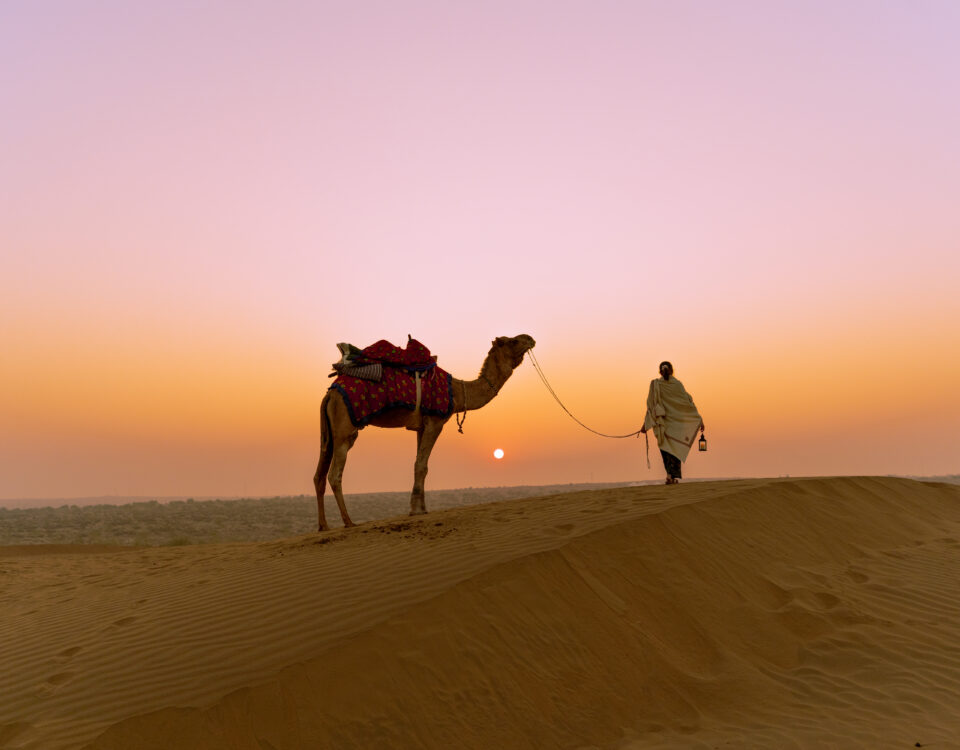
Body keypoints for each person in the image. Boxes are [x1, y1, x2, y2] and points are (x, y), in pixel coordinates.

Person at [640, 361, 704, 484]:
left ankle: (669, 476)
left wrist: (645, 425)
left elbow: (651, 408)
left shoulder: (655, 385)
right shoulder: (677, 385)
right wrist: (699, 420)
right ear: (672, 370)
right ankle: (671, 476)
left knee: (666, 450)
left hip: (663, 424)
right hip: (677, 426)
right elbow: (688, 404)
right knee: (674, 450)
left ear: (660, 371)